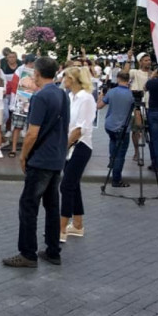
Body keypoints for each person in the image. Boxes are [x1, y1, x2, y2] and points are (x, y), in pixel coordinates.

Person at [2, 57, 69, 268]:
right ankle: (52, 250)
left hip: (40, 159)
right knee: (52, 205)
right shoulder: (62, 93)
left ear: (38, 74)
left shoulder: (40, 96)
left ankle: (28, 253)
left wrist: (23, 155)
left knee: (29, 205)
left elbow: (32, 132)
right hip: (56, 156)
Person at [59, 67, 97, 243]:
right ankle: (78, 225)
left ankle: (61, 229)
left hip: (80, 146)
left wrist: (64, 147)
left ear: (74, 79)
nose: (63, 78)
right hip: (70, 144)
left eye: (66, 76)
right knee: (73, 184)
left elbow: (81, 128)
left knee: (66, 186)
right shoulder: (70, 96)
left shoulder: (86, 98)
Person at [97, 71, 134, 188]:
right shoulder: (131, 94)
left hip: (110, 125)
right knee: (121, 154)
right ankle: (116, 179)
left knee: (113, 143)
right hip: (123, 128)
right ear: (128, 80)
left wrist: (101, 95)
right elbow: (136, 112)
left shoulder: (111, 92)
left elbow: (99, 106)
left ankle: (111, 161)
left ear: (118, 79)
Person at [124, 50, 152, 161]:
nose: (148, 62)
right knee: (136, 130)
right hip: (137, 106)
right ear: (140, 62)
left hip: (150, 105)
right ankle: (136, 152)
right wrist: (128, 59)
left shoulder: (154, 73)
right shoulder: (135, 72)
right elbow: (124, 74)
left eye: (149, 60)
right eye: (145, 60)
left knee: (148, 131)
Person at [8, 54, 36, 158]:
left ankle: (28, 150)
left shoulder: (37, 71)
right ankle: (14, 149)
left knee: (31, 128)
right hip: (21, 101)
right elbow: (14, 87)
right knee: (17, 126)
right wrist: (12, 104)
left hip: (33, 101)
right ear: (30, 62)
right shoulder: (19, 70)